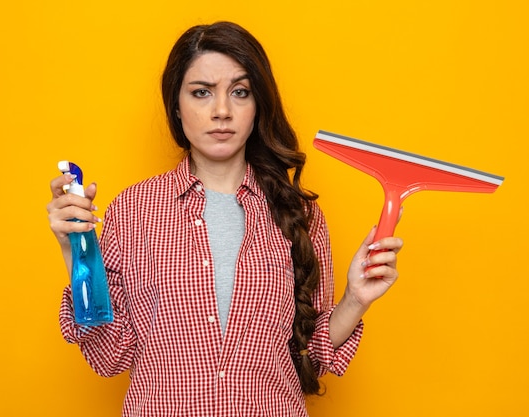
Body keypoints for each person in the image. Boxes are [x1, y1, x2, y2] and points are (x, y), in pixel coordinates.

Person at [47, 21, 403, 417]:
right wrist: (75, 252)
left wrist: (356, 298)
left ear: (258, 106)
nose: (221, 111)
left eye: (240, 92)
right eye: (201, 93)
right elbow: (110, 356)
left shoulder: (298, 214)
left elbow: (312, 358)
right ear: (177, 108)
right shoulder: (133, 211)